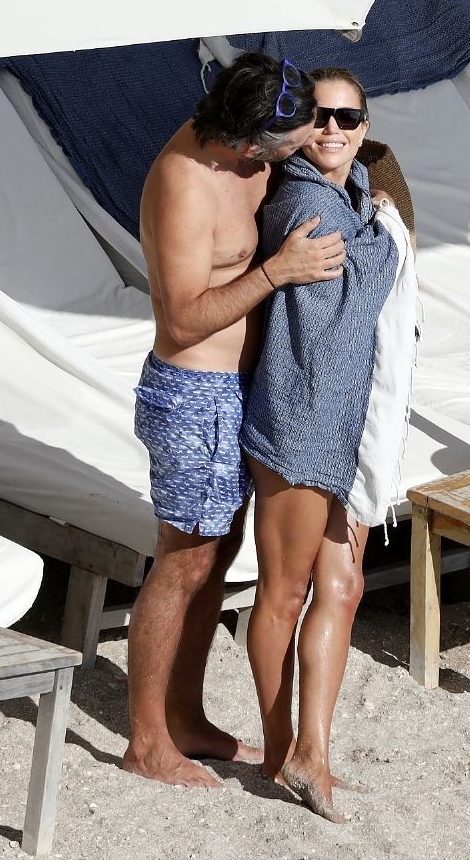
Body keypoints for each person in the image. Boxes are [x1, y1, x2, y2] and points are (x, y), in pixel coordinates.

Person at [122, 53, 347, 789]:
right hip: (195, 392)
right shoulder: (185, 181)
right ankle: (146, 743)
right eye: (285, 147)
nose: (291, 155)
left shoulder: (257, 147)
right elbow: (183, 320)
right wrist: (277, 271)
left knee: (217, 558)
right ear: (250, 140)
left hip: (243, 389)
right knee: (182, 561)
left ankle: (185, 717)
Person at [241, 67, 418, 822]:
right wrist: (387, 224)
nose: (334, 130)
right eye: (319, 116)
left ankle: (313, 753)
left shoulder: (354, 197)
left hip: (352, 422)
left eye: (348, 118)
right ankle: (279, 748)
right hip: (303, 419)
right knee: (284, 592)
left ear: (364, 126)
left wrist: (377, 212)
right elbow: (363, 281)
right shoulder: (301, 202)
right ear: (298, 126)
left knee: (342, 590)